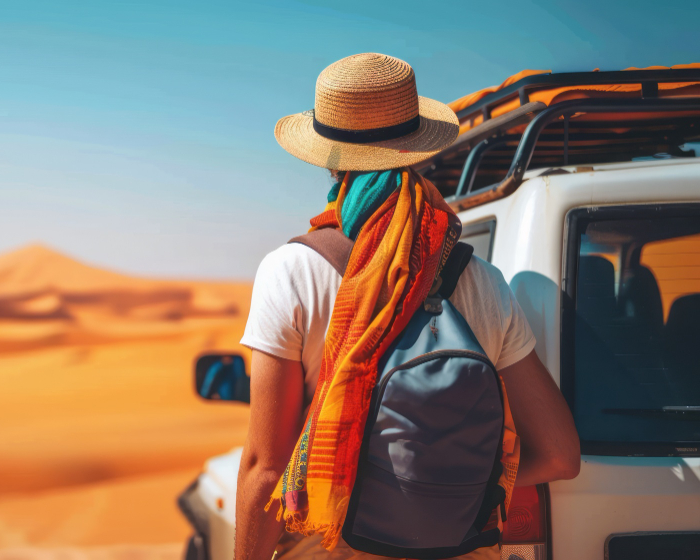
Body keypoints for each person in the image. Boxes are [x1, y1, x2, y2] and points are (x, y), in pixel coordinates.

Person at [234, 53, 580, 560]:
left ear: (330, 161)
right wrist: (455, 479)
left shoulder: (291, 273)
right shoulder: (482, 281)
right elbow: (559, 455)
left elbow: (267, 469)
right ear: (417, 150)